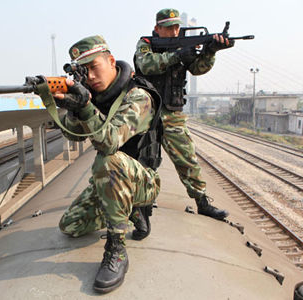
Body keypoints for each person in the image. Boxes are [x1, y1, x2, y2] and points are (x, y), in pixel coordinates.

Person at [54, 35, 162, 293]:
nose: (90, 76)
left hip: (142, 180)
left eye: (94, 67)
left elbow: (109, 142)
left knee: (108, 158)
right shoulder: (95, 97)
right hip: (113, 181)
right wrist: (71, 107)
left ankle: (116, 250)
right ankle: (129, 210)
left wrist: (86, 107)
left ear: (111, 61)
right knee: (70, 225)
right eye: (84, 71)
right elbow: (71, 134)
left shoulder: (138, 96)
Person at [132, 8, 232, 239]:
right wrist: (177, 55)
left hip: (172, 112)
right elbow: (146, 64)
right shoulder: (146, 43)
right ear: (157, 28)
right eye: (168, 27)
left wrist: (210, 52)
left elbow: (198, 69)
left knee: (187, 158)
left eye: (176, 26)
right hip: (146, 112)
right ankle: (141, 206)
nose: (174, 31)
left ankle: (202, 201)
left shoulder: (183, 45)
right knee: (144, 159)